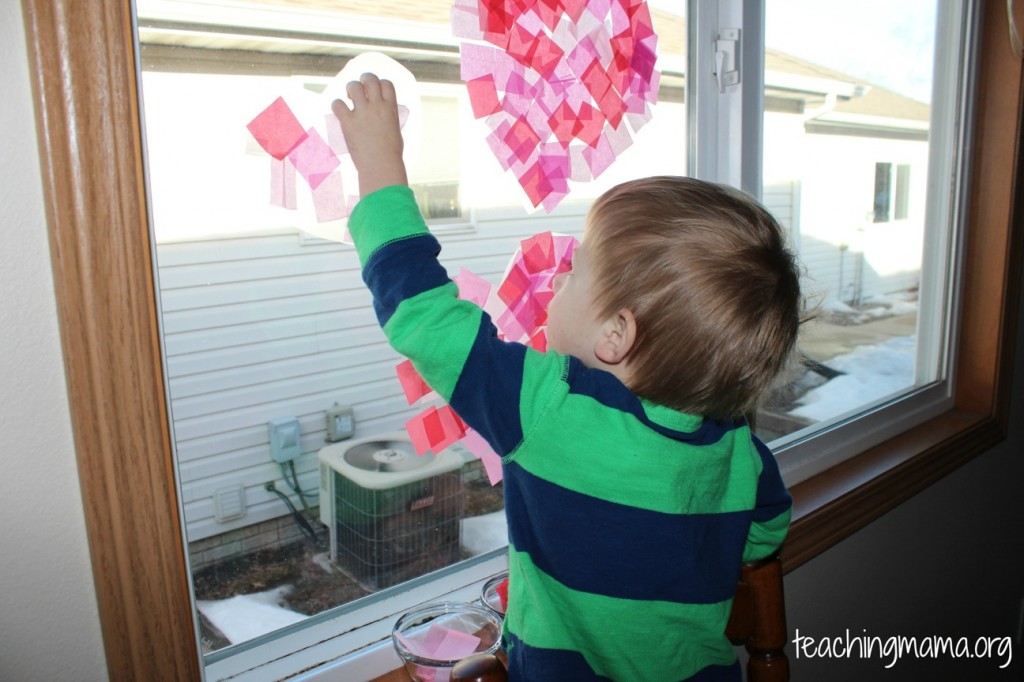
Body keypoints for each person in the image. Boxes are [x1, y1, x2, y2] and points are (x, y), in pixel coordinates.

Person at [333, 73, 800, 682]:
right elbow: (764, 534)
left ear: (616, 335)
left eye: (575, 271)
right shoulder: (740, 450)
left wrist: (379, 165)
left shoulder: (548, 406)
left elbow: (423, 316)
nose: (557, 280)